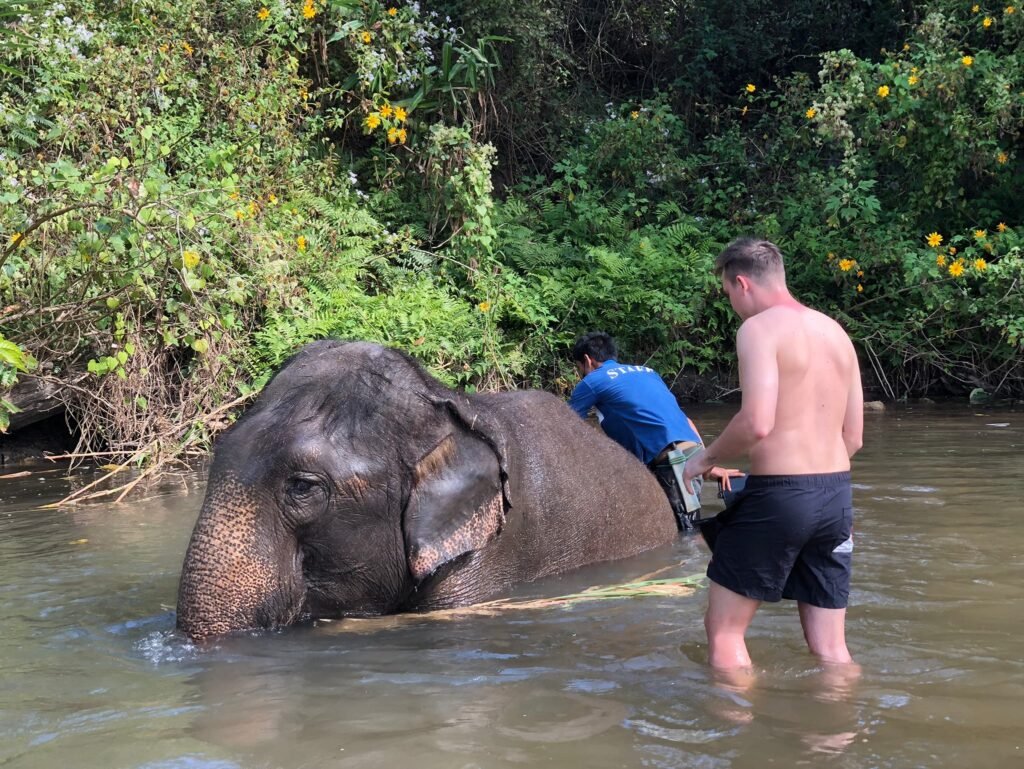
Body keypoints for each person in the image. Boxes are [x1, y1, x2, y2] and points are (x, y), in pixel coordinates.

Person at [682, 238, 864, 671]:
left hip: (782, 497)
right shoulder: (836, 333)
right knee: (832, 651)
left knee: (724, 633)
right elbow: (853, 437)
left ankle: (736, 735)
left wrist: (702, 460)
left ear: (742, 283)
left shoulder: (759, 330)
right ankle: (838, 733)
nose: (733, 306)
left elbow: (756, 422)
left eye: (729, 294)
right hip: (837, 497)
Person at [568, 331, 738, 531]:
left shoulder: (593, 380)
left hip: (673, 461)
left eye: (579, 368)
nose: (581, 373)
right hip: (691, 452)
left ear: (587, 360)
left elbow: (564, 423)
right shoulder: (648, 372)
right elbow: (685, 421)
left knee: (686, 536)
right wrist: (706, 463)